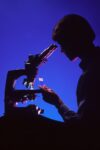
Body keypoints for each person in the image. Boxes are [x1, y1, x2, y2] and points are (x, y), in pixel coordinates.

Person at [39, 14, 100, 128]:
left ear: (74, 40)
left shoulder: (90, 76)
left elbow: (84, 129)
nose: (62, 50)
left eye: (63, 43)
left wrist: (58, 103)